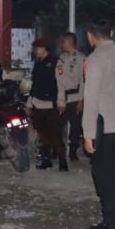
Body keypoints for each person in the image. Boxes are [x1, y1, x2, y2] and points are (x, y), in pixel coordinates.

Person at [81, 16, 115, 229]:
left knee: (106, 182)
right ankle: (108, 222)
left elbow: (91, 99)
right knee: (114, 179)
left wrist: (88, 133)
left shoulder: (95, 59)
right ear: (111, 33)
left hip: (106, 129)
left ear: (90, 37)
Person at [28, 39, 68, 171]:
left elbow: (61, 84)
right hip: (37, 104)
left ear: (44, 48)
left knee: (55, 134)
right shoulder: (37, 63)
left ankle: (62, 160)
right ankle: (46, 159)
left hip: (51, 104)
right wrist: (29, 103)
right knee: (42, 134)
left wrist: (61, 101)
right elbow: (33, 85)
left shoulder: (56, 62)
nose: (35, 51)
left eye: (37, 48)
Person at [56, 32, 85, 162]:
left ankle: (73, 150)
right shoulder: (61, 58)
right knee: (58, 125)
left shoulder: (81, 58)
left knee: (75, 127)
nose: (62, 44)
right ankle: (58, 149)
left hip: (75, 98)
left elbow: (83, 81)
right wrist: (60, 100)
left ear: (70, 42)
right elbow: (59, 80)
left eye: (64, 41)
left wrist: (81, 100)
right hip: (63, 97)